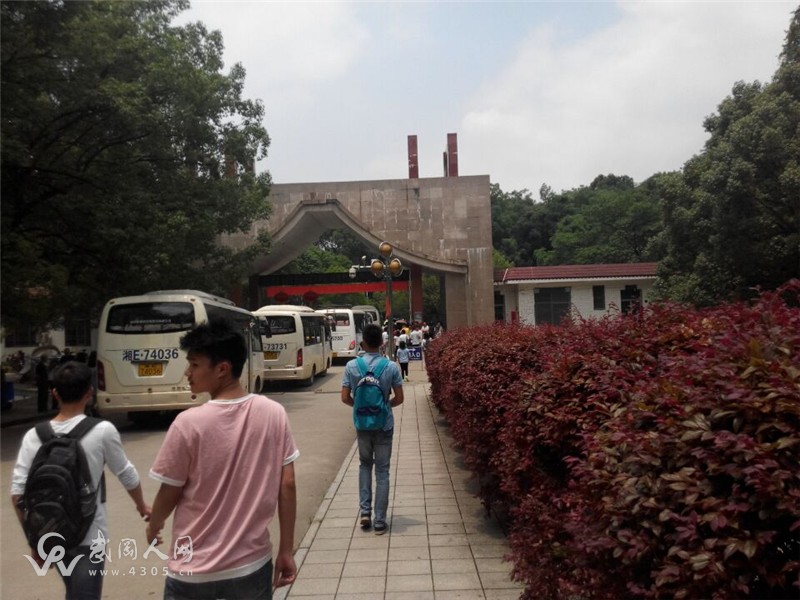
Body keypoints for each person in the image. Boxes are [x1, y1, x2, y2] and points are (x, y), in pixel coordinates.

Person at [147, 318, 299, 599]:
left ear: (222, 369)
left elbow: (170, 491)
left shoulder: (188, 423)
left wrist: (154, 524)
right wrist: (286, 550)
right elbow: (287, 484)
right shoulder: (273, 413)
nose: (187, 373)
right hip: (250, 567)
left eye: (194, 365)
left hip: (193, 571)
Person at [11, 361, 150, 600]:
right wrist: (142, 506)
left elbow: (17, 494)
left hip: (51, 532)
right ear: (89, 392)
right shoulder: (103, 430)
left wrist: (35, 540)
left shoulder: (34, 436)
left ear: (55, 393)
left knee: (75, 592)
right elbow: (127, 474)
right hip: (90, 535)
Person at [341, 323, 404, 535]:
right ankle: (380, 521)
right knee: (383, 471)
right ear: (382, 343)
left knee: (365, 465)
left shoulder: (351, 366)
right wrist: (385, 407)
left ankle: (365, 513)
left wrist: (360, 409)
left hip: (362, 425)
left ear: (363, 343)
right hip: (384, 425)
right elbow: (400, 398)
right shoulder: (391, 367)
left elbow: (344, 397)